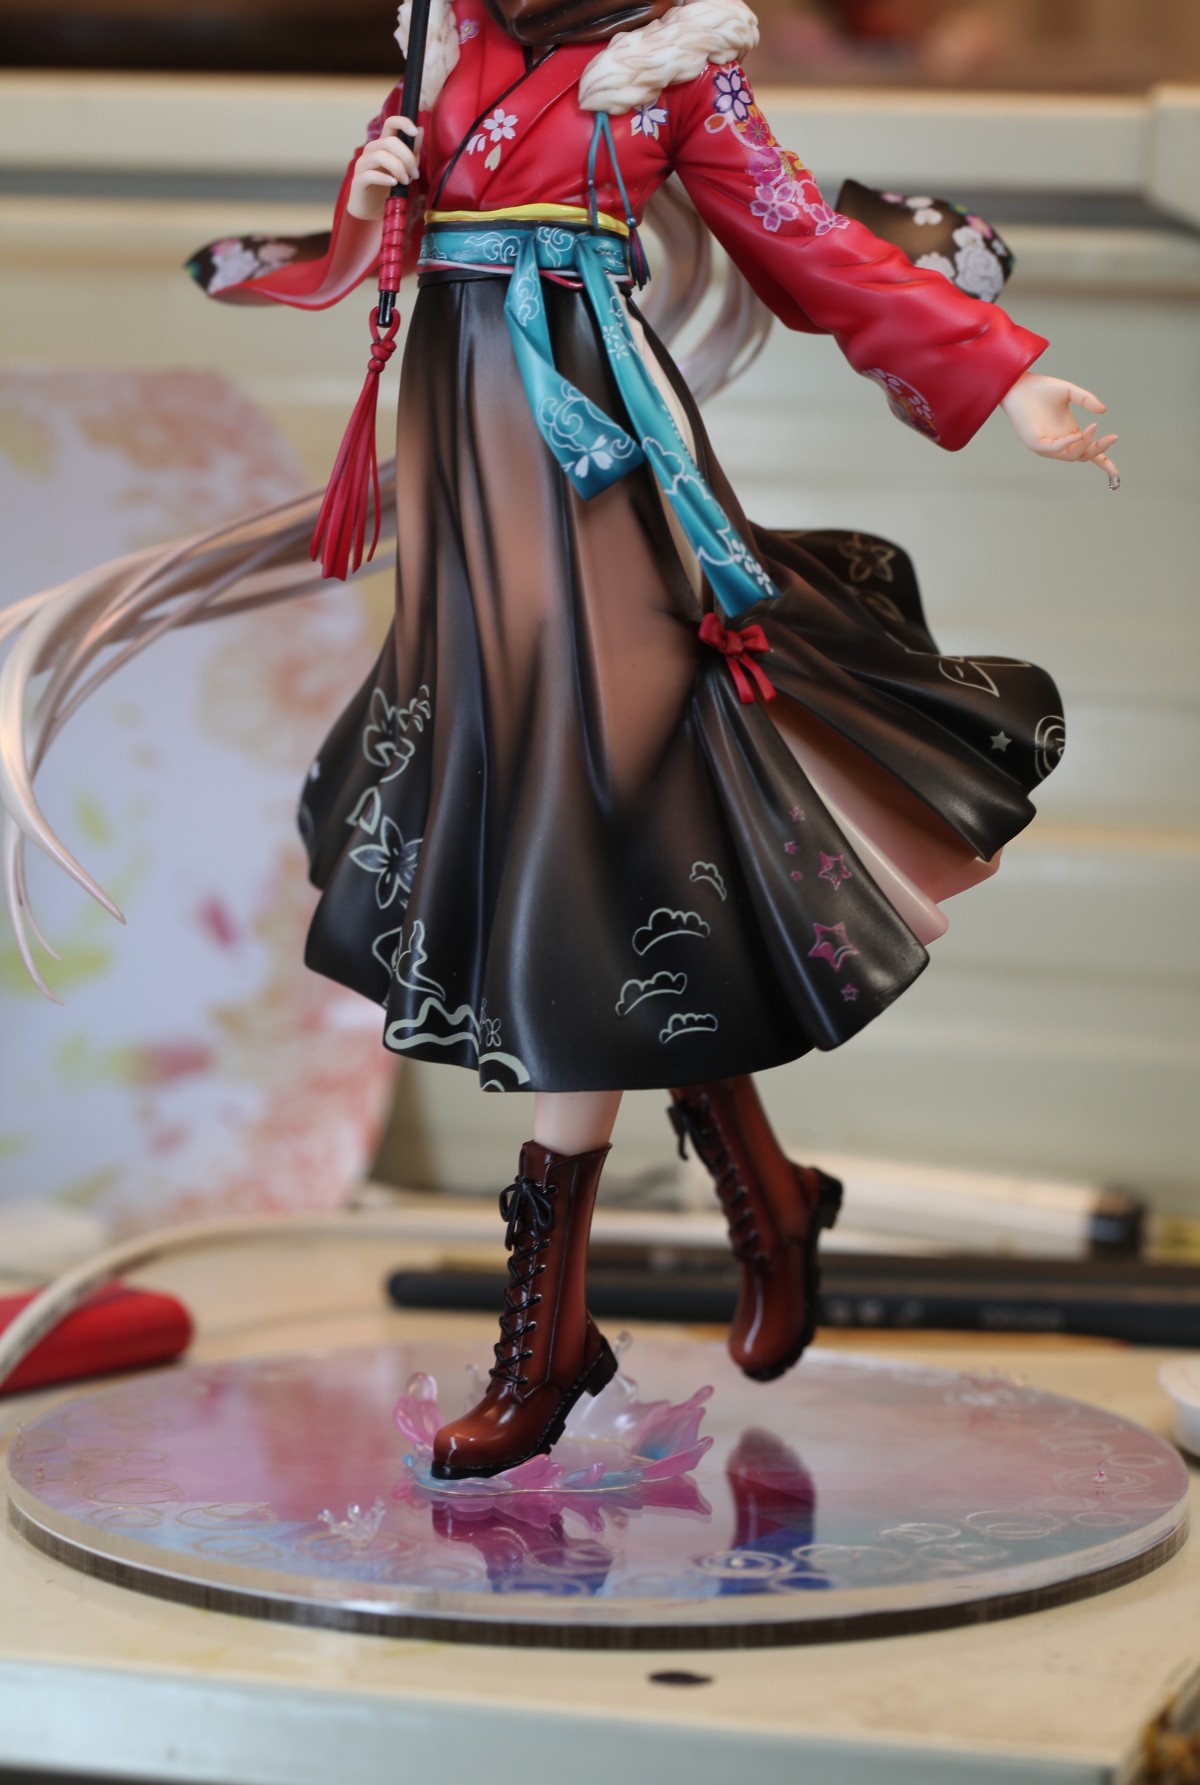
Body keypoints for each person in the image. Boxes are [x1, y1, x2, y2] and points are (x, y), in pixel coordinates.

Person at [3, 0, 1118, 1482]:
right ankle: (771, 1196)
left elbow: (802, 240)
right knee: (613, 849)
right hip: (465, 467)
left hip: (599, 458)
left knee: (590, 833)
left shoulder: (679, 66)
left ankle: (547, 1339)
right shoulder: (445, 35)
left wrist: (1003, 374)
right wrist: (371, 202)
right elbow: (369, 253)